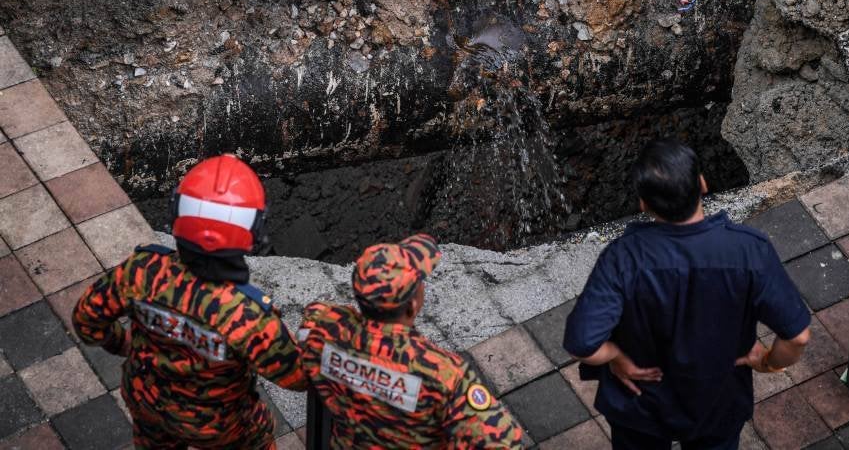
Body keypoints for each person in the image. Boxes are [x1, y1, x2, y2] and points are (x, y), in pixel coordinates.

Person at [563, 139, 811, 449]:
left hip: (642, 404)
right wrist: (768, 362)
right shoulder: (749, 250)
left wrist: (616, 357)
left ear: (643, 203)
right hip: (717, 399)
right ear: (703, 184)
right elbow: (797, 337)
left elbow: (581, 343)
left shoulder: (622, 258)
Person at [73, 154, 306, 449]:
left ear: (177, 213)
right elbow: (296, 377)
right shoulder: (248, 316)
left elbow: (86, 320)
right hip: (221, 427)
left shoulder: (142, 271)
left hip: (147, 405)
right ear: (253, 232)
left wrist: (123, 344)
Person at [297, 233, 525, 448]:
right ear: (413, 305)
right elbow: (501, 442)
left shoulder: (320, 327)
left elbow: (294, 378)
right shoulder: (443, 374)